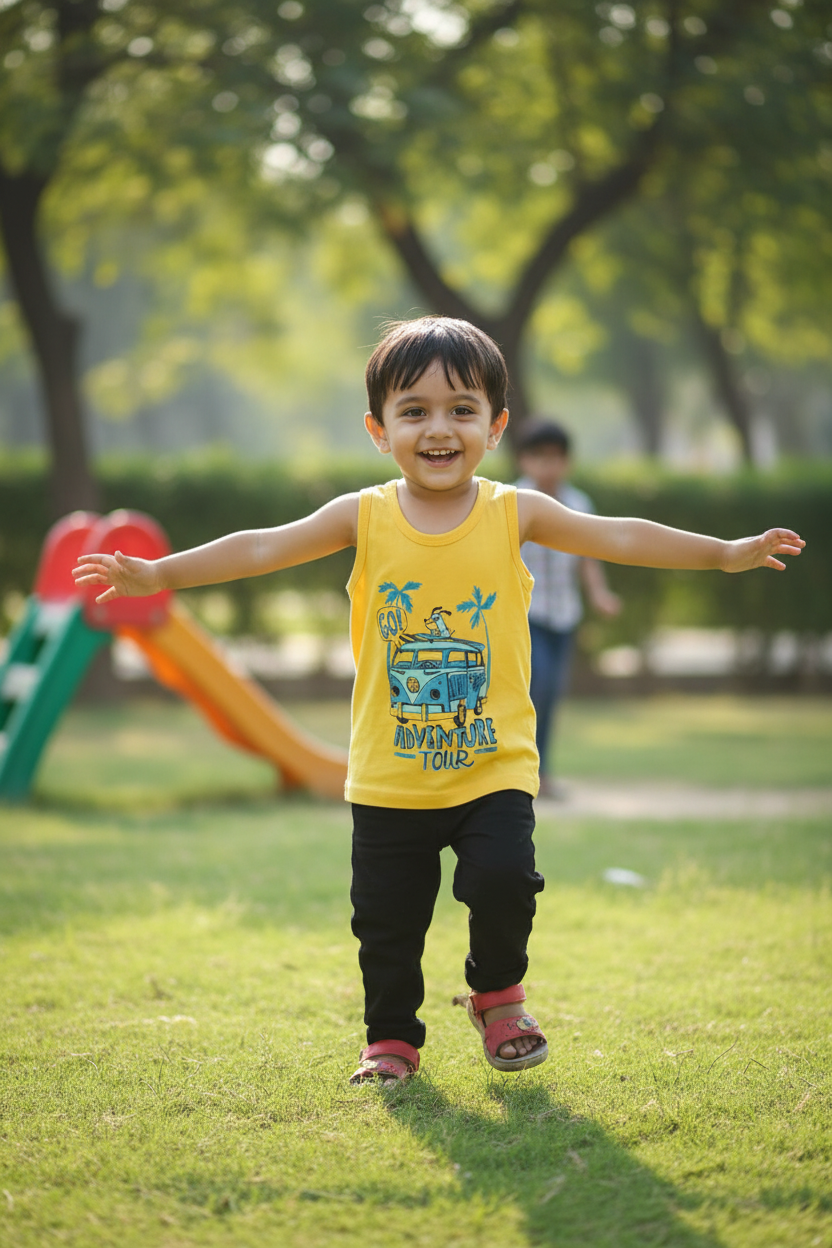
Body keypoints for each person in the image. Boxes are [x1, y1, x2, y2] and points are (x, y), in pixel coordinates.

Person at [72, 316, 804, 1087]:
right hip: (390, 776)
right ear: (377, 429)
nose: (438, 428)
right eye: (412, 410)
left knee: (504, 882)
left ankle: (498, 996)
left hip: (493, 764)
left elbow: (615, 535)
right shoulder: (363, 514)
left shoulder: (515, 510)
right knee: (386, 923)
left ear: (496, 427)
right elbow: (261, 545)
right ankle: (391, 1040)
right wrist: (161, 574)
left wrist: (724, 553)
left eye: (461, 408)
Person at [517, 419, 621, 799]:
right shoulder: (510, 501)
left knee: (550, 695)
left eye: (556, 458)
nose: (548, 466)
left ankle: (541, 775)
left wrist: (599, 595)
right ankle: (519, 775)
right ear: (524, 460)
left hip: (565, 615)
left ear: (567, 462)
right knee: (535, 689)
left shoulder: (578, 504)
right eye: (539, 457)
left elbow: (587, 557)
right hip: (527, 615)